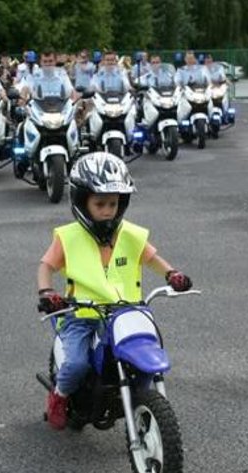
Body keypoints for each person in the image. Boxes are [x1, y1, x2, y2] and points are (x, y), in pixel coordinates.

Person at [36, 153, 193, 430]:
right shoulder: (69, 237)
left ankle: (140, 403)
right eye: (100, 204)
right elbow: (46, 266)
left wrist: (172, 274)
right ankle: (58, 397)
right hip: (82, 314)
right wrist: (47, 292)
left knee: (145, 362)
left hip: (126, 311)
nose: (108, 210)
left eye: (113, 203)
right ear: (82, 201)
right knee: (75, 365)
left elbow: (152, 259)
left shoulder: (130, 234)